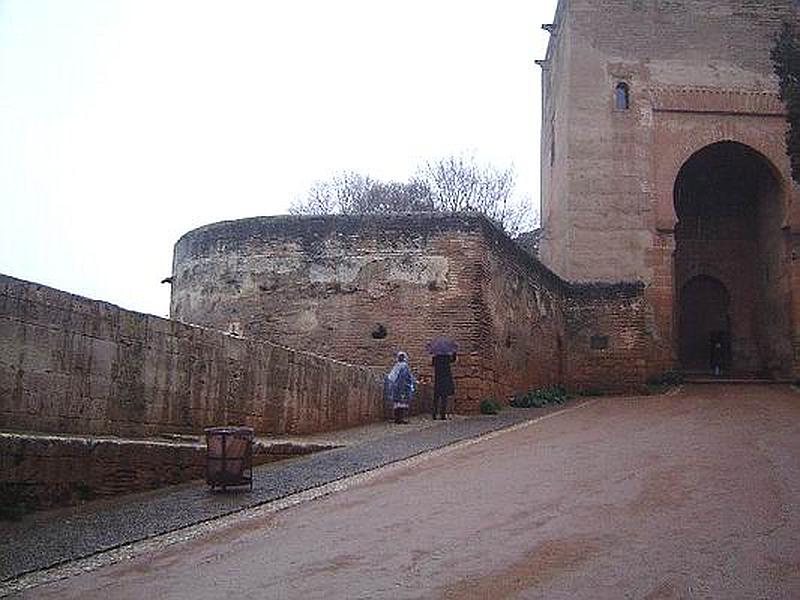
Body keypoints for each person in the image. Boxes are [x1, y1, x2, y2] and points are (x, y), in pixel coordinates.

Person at [386, 351, 415, 424]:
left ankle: (397, 419)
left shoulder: (396, 366)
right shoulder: (404, 366)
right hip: (402, 387)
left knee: (397, 403)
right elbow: (407, 377)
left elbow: (391, 377)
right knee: (401, 403)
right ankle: (400, 419)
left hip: (396, 387)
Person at [432, 352, 456, 420]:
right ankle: (442, 415)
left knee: (436, 399)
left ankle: (434, 414)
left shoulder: (436, 358)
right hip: (444, 381)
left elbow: (433, 363)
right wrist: (454, 352)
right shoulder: (446, 358)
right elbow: (453, 360)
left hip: (437, 380)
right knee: (443, 398)